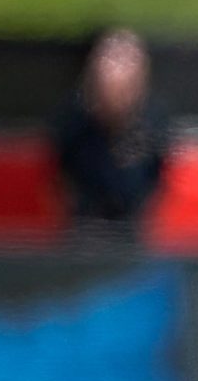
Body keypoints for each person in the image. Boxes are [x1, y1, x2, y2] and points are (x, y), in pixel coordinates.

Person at [48, 27, 171, 234]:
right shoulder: (73, 117)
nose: (117, 69)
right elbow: (60, 177)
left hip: (133, 232)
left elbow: (154, 181)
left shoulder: (153, 120)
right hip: (81, 230)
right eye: (110, 59)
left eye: (126, 61)